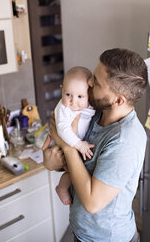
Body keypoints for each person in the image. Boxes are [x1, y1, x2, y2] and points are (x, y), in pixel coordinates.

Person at [43, 48, 148, 242]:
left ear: (118, 100)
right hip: (81, 231)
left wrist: (66, 146)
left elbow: (92, 203)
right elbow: (76, 164)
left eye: (96, 82)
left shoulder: (124, 141)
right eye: (93, 76)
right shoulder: (95, 112)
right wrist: (51, 162)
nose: (89, 82)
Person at [54, 66, 96, 205]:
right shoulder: (64, 108)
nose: (73, 101)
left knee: (78, 173)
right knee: (72, 173)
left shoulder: (89, 106)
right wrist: (78, 144)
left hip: (78, 147)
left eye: (80, 96)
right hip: (69, 145)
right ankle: (62, 188)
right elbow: (62, 129)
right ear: (62, 89)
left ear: (89, 95)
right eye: (68, 95)